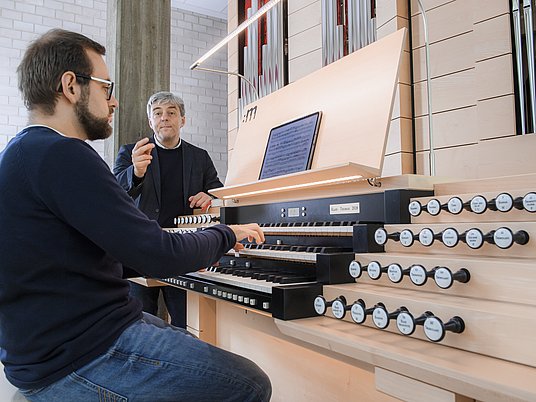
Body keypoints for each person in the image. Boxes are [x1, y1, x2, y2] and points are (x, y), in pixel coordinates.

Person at [0, 28, 271, 402]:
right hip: (80, 353)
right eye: (106, 88)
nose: (113, 103)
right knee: (249, 383)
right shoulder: (61, 154)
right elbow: (156, 253)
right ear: (71, 86)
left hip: (61, 337)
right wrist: (228, 235)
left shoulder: (23, 152)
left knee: (175, 332)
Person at [114, 91, 222, 329]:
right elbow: (114, 193)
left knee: (186, 324)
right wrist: (136, 172)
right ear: (150, 121)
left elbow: (218, 191)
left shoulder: (200, 157)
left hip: (182, 253)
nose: (165, 118)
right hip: (139, 253)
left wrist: (210, 195)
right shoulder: (131, 152)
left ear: (182, 120)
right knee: (140, 325)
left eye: (171, 113)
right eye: (158, 113)